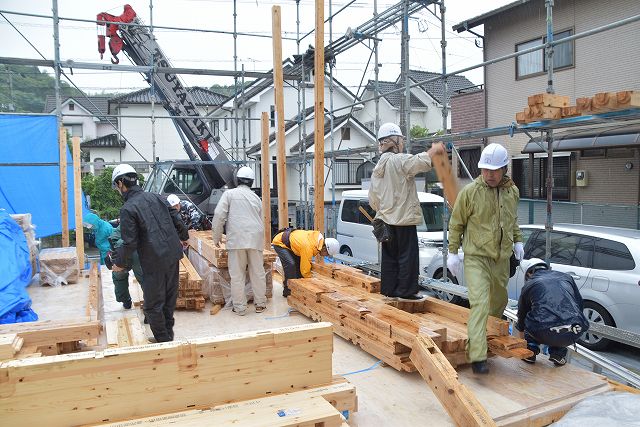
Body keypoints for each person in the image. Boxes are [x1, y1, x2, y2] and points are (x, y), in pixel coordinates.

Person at [446, 143, 525, 375]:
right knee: (479, 303)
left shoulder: (513, 192)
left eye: (495, 170)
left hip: (501, 258)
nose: (490, 175)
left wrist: (518, 240)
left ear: (504, 169)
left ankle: (489, 341)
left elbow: (512, 221)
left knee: (498, 303)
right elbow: (456, 223)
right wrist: (452, 252)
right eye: (486, 170)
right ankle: (477, 355)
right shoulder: (470, 192)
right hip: (476, 257)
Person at [111, 164, 189, 343]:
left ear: (121, 183)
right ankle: (168, 336)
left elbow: (130, 242)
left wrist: (120, 264)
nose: (117, 190)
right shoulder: (157, 197)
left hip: (154, 260)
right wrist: (184, 236)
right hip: (172, 255)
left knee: (153, 305)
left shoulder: (128, 209)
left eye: (117, 186)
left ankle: (164, 341)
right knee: (169, 299)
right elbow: (177, 219)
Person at [368, 122, 445, 301]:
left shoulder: (378, 166)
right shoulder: (398, 160)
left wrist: (384, 211)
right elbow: (419, 163)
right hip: (403, 219)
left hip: (386, 220)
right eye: (400, 139)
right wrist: (434, 150)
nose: (402, 143)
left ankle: (390, 290)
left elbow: (373, 199)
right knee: (407, 257)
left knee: (390, 257)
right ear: (393, 141)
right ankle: (406, 292)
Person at [211, 166, 267, 316]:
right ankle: (260, 304)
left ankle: (240, 307)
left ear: (237, 180)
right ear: (251, 182)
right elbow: (261, 220)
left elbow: (218, 215)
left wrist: (216, 237)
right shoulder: (256, 198)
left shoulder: (229, 194)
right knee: (258, 273)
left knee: (237, 275)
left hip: (236, 240)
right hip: (255, 238)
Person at [516, 258, 589, 366]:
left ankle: (530, 351)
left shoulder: (530, 284)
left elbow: (522, 313)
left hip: (542, 330)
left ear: (529, 273)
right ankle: (558, 354)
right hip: (573, 330)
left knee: (532, 317)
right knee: (561, 322)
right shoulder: (567, 277)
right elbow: (579, 304)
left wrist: (521, 334)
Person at [272, 229, 339, 297]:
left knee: (298, 265)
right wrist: (313, 281)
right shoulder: (309, 247)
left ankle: (298, 289)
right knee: (291, 265)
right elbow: (305, 271)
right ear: (325, 249)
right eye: (327, 254)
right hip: (280, 243)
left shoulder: (317, 241)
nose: (326, 256)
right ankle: (288, 291)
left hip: (292, 244)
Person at [108, 224, 144, 310]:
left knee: (119, 275)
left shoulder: (127, 219)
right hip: (138, 253)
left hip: (122, 249)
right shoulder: (149, 218)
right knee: (146, 280)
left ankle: (125, 300)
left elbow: (113, 238)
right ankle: (149, 312)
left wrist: (116, 252)